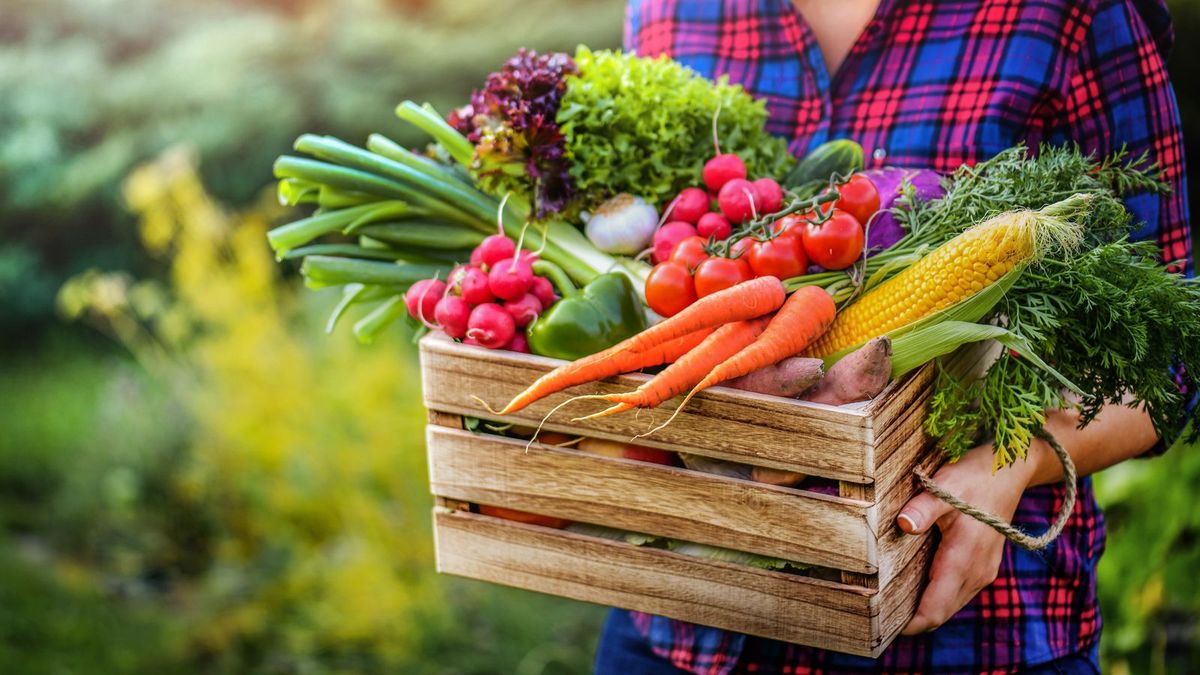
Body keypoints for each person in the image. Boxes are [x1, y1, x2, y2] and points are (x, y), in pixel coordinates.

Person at [594, 0, 1194, 672]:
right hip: (686, 623)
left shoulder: (1070, 15)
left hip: (959, 632)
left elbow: (1168, 362)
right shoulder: (670, 11)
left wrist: (1011, 461)